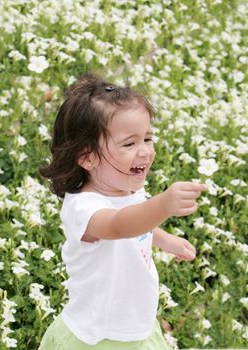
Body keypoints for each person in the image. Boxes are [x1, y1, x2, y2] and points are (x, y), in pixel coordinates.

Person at [38, 73, 207, 349]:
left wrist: (165, 240)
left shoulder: (129, 191)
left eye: (147, 139)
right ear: (87, 157)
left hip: (136, 324)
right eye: (129, 144)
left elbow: (139, 226)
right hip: (98, 336)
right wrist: (163, 204)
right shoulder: (84, 208)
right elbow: (119, 225)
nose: (144, 152)